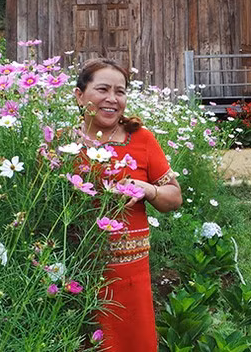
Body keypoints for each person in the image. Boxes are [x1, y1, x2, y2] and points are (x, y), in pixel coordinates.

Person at [73, 58, 182, 351]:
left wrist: (149, 190)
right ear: (80, 95)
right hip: (77, 273)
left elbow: (174, 197)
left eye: (120, 92)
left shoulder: (141, 139)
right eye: (103, 89)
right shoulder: (63, 145)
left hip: (130, 275)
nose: (112, 99)